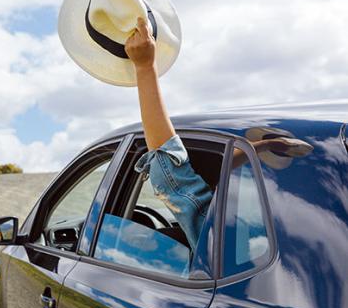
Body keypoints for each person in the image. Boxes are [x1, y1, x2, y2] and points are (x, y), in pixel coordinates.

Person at [124, 17, 304, 250]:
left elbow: (168, 173)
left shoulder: (225, 244)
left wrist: (145, 67)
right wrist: (260, 147)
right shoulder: (303, 234)